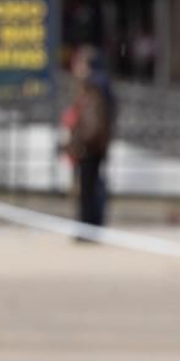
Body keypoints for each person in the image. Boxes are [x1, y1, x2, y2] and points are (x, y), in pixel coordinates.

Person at [63, 46, 115, 236]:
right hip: (95, 146)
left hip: (88, 147)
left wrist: (81, 142)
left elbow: (92, 122)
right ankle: (90, 226)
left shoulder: (93, 88)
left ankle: (87, 228)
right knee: (92, 187)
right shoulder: (100, 86)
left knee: (87, 190)